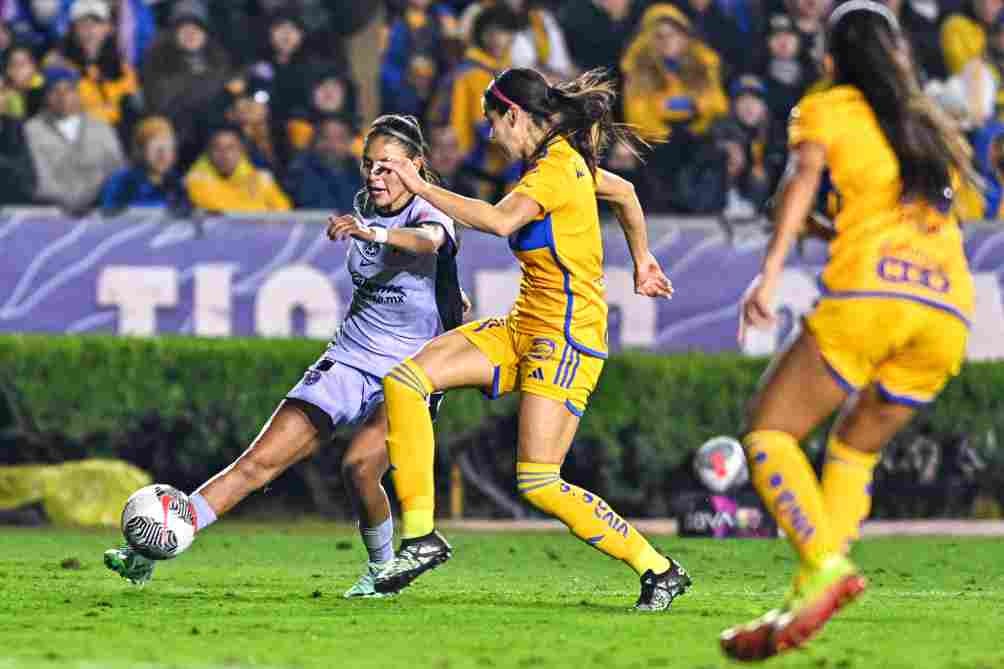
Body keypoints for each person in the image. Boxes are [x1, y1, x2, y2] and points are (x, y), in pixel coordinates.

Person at [104, 114, 469, 599]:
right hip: (349, 359)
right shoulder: (364, 206)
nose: (375, 177)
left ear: (417, 166)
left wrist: (374, 236)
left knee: (360, 467)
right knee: (257, 463)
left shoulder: (429, 211)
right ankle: (152, 550)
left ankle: (384, 571)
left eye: (388, 167)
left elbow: (428, 243)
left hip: (412, 371)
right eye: (368, 166)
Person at [370, 67, 691, 611]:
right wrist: (642, 261)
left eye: (493, 124)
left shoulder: (555, 170)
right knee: (405, 380)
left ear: (514, 115)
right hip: (524, 326)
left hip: (566, 339)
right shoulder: (557, 164)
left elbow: (498, 222)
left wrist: (421, 185)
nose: (491, 137)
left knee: (539, 480)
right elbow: (627, 194)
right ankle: (421, 536)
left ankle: (658, 568)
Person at [719, 1, 977, 660]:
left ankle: (824, 564)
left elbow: (802, 181)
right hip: (947, 312)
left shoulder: (827, 104)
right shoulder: (929, 126)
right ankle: (811, 585)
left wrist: (770, 274)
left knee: (770, 431)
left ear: (830, 58)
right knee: (854, 449)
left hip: (870, 297)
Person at [24, 66, 125, 214]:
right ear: (45, 96)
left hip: (100, 213)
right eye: (55, 91)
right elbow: (38, 180)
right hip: (52, 216)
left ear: (78, 93)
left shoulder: (102, 128)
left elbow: (117, 169)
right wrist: (72, 205)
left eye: (69, 90)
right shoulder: (31, 132)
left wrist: (98, 201)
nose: (62, 97)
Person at [184, 124, 291, 213]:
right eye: (217, 148)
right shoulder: (196, 179)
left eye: (230, 147)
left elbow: (284, 210)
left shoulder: (261, 178)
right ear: (208, 152)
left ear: (241, 150)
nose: (224, 154)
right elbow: (221, 211)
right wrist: (262, 209)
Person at [99, 116, 188, 211]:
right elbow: (109, 215)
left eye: (168, 148)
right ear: (141, 150)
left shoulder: (175, 182)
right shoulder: (121, 182)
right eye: (157, 149)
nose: (163, 156)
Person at [285, 113, 364, 212]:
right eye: (325, 137)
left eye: (339, 139)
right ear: (315, 141)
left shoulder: (360, 175)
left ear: (349, 142)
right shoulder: (298, 173)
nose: (332, 145)